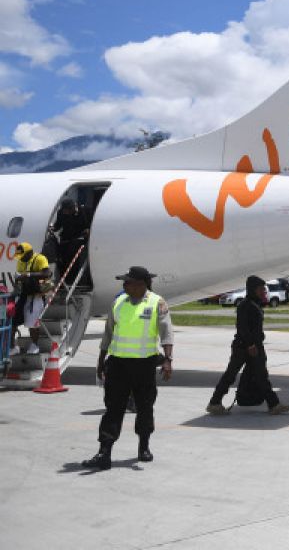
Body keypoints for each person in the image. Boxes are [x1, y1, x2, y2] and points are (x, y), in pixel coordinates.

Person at [82, 266, 174, 471]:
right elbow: (108, 334)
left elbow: (167, 332)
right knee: (113, 409)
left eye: (128, 282)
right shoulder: (118, 303)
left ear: (141, 285)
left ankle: (144, 447)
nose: (124, 285)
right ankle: (104, 453)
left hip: (144, 364)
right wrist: (100, 360)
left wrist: (168, 359)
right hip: (118, 365)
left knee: (145, 407)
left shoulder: (157, 303)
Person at [206, 276, 289, 416]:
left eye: (264, 289)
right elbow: (242, 327)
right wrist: (250, 344)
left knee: (261, 375)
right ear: (253, 289)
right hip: (244, 347)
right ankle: (214, 403)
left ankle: (274, 404)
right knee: (230, 375)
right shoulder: (245, 306)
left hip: (255, 346)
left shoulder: (255, 304)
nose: (264, 291)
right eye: (260, 289)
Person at [14, 242, 52, 354]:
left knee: (33, 322)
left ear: (30, 253)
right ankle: (12, 346)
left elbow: (47, 273)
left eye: (23, 256)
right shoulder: (21, 261)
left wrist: (30, 275)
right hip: (24, 294)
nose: (21, 259)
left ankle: (35, 345)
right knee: (14, 318)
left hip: (37, 295)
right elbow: (19, 277)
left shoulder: (40, 259)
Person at [52, 199, 89, 283]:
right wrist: (53, 228)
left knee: (75, 263)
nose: (65, 213)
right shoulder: (61, 213)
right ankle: (64, 281)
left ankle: (75, 281)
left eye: (67, 211)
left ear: (72, 208)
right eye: (64, 211)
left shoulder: (83, 211)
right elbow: (58, 225)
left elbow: (87, 226)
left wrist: (87, 231)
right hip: (65, 241)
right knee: (63, 262)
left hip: (78, 241)